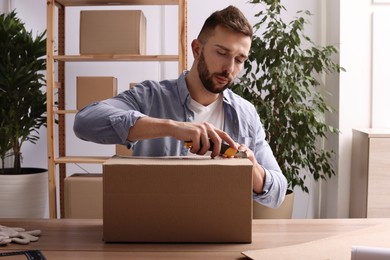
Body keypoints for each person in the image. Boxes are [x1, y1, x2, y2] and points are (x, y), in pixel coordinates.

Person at [74, 5, 287, 208]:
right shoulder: (150, 97)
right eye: (222, 53)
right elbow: (84, 121)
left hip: (221, 234)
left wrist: (252, 167)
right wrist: (172, 128)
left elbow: (278, 192)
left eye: (239, 60)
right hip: (157, 232)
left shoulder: (246, 113)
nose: (229, 69)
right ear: (196, 49)